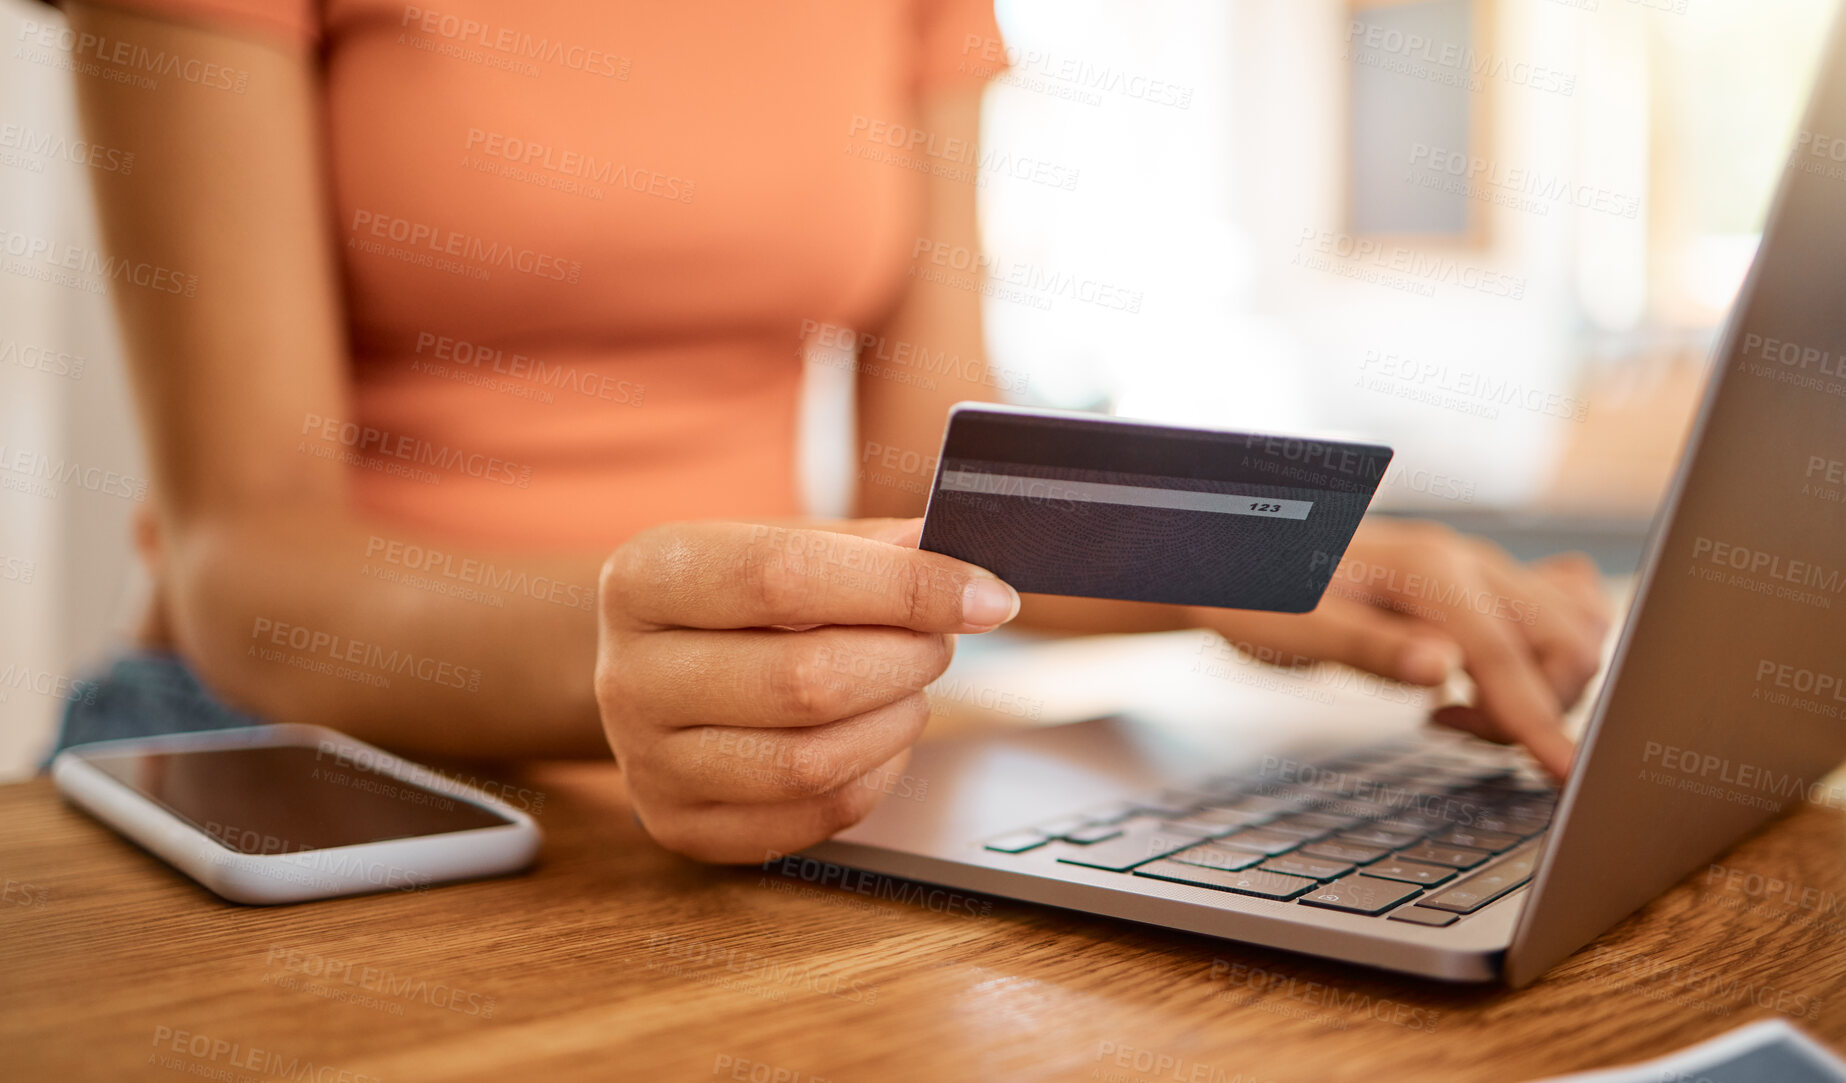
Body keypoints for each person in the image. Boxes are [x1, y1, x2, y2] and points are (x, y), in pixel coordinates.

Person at [53, 0, 1608, 863]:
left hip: (774, 768)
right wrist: (621, 653)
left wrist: (1243, 559)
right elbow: (245, 559)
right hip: (297, 768)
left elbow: (924, 488)